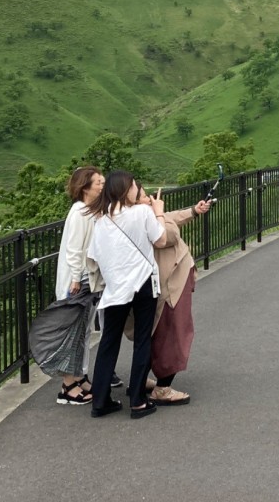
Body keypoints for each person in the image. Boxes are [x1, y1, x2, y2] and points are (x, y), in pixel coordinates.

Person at [86, 169, 167, 419]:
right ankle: (138, 402)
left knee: (109, 342)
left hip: (115, 289)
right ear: (125, 190)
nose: (136, 189)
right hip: (142, 283)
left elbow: (95, 257)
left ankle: (100, 401)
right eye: (133, 186)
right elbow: (161, 240)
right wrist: (159, 212)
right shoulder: (142, 212)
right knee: (142, 340)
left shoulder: (101, 221)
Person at [136, 185, 211, 405]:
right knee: (174, 330)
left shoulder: (149, 215)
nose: (149, 199)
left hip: (173, 280)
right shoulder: (142, 219)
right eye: (142, 197)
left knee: (161, 330)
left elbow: (169, 218)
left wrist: (193, 211)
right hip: (170, 285)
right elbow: (166, 235)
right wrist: (158, 211)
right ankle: (162, 387)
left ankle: (141, 379)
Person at [53, 166, 104, 404]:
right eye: (98, 182)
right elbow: (74, 249)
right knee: (72, 333)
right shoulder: (79, 212)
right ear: (85, 187)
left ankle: (79, 376)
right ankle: (67, 385)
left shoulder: (91, 211)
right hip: (77, 281)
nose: (102, 185)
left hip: (86, 280)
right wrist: (74, 278)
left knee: (83, 331)